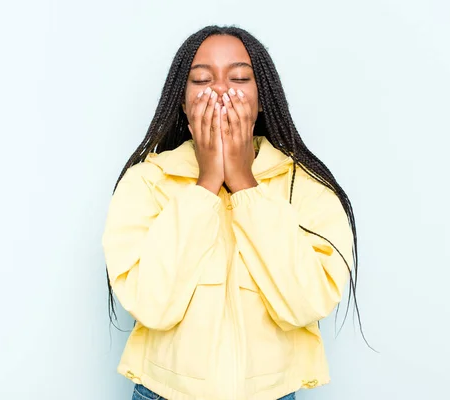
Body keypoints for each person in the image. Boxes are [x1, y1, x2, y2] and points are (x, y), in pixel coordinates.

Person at [102, 25, 362, 400]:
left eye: (239, 77)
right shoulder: (145, 183)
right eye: (202, 79)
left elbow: (307, 303)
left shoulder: (305, 186)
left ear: (262, 100)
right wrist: (207, 183)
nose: (221, 90)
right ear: (182, 101)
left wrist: (243, 181)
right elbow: (151, 305)